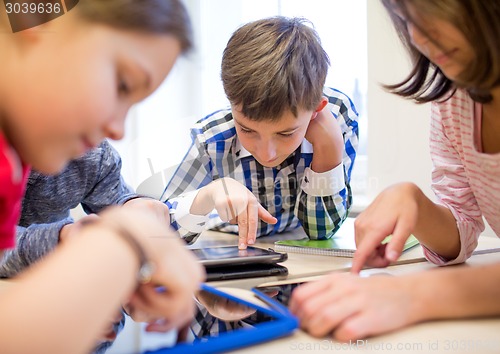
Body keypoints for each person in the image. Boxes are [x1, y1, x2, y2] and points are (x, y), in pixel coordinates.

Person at [0, 1, 204, 353]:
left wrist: (140, 214)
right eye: (122, 85)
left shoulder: (22, 156)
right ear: (38, 23)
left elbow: (122, 202)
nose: (118, 128)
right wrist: (121, 237)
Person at [289, 0, 500, 342]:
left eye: (430, 11)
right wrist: (414, 202)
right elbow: (461, 237)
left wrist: (413, 295)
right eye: (405, 19)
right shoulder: (453, 101)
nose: (418, 36)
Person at [161, 16, 359, 249]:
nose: (267, 154)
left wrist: (329, 146)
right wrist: (208, 194)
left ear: (317, 110)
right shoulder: (213, 138)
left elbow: (322, 231)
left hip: (297, 259)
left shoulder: (338, 117)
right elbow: (157, 229)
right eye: (246, 129)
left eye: (285, 133)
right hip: (225, 245)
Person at [0, 140, 171, 353]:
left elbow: (116, 200)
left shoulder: (92, 150)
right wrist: (63, 240)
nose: (117, 130)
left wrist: (132, 207)